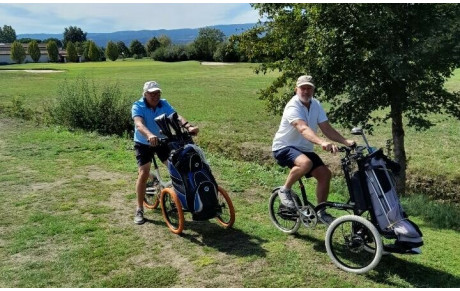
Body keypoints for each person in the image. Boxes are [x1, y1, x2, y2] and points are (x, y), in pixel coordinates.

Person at [272, 75, 355, 224]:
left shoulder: (316, 104)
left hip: (304, 149)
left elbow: (326, 128)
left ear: (313, 90)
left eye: (309, 88)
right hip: (283, 147)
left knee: (325, 174)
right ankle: (285, 190)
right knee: (305, 163)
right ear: (296, 89)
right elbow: (302, 128)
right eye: (303, 88)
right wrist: (321, 142)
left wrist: (345, 142)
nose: (306, 91)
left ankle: (321, 212)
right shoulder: (293, 106)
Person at [132, 81, 199, 224]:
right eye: (152, 93)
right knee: (143, 172)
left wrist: (189, 127)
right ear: (145, 94)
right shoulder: (138, 105)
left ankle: (179, 198)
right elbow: (139, 124)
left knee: (176, 167)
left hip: (162, 141)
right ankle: (139, 209)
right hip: (143, 142)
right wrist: (149, 135)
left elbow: (176, 116)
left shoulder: (164, 104)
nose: (155, 96)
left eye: (157, 93)